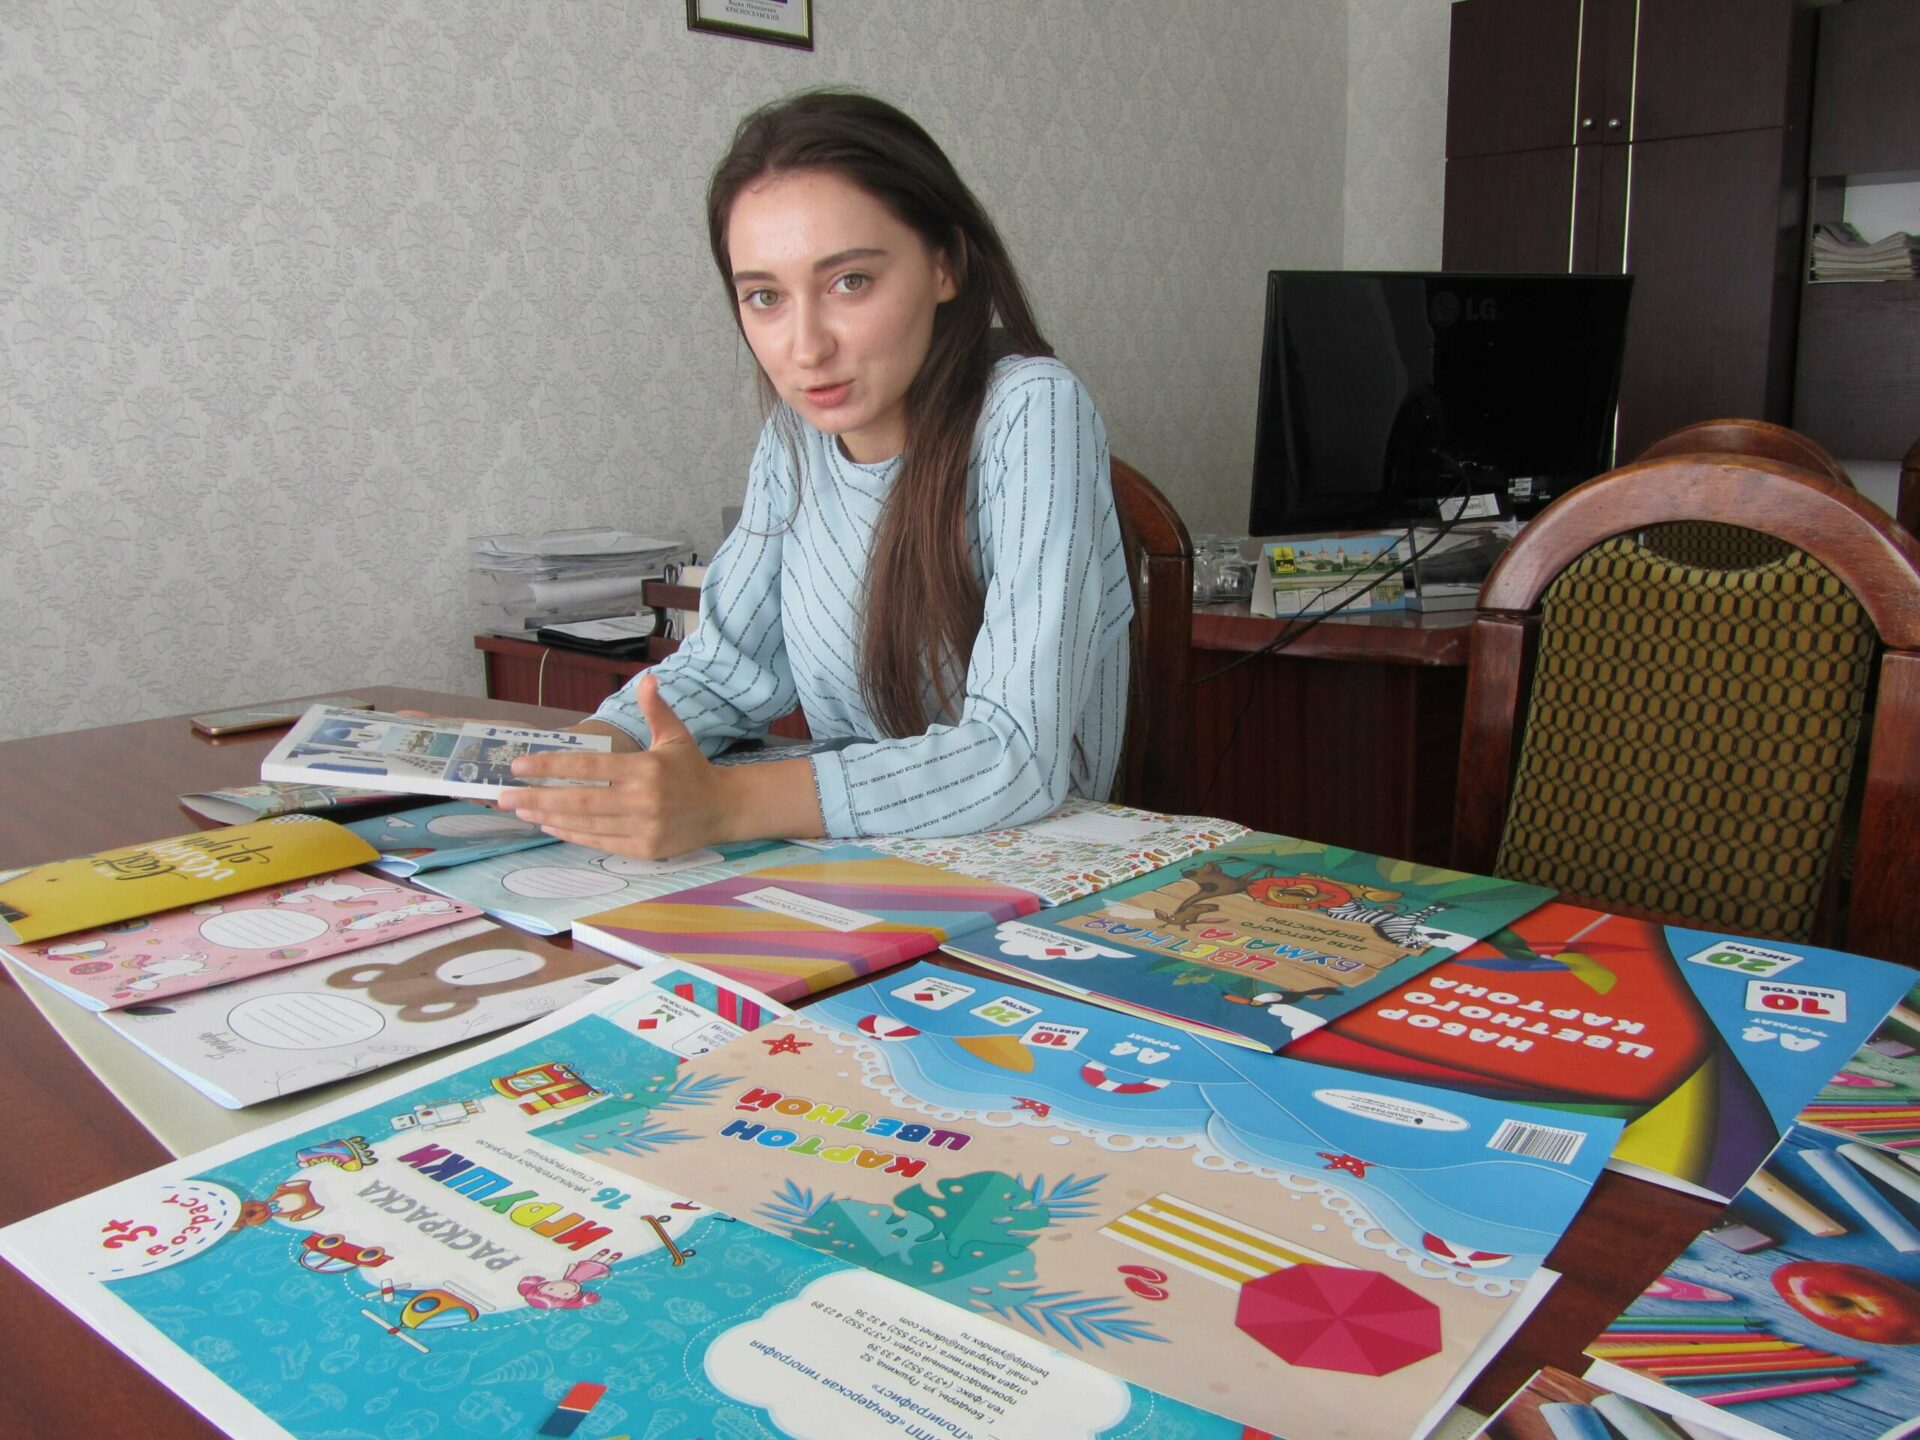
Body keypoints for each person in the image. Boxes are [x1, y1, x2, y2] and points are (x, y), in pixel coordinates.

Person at [507, 90, 1132, 858]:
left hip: (1035, 869)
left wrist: (724, 805)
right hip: (863, 861)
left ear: (945, 264)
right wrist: (572, 762)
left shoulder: (1033, 409)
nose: (806, 348)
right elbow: (726, 669)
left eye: (850, 282)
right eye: (765, 297)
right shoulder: (793, 440)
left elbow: (1016, 752)